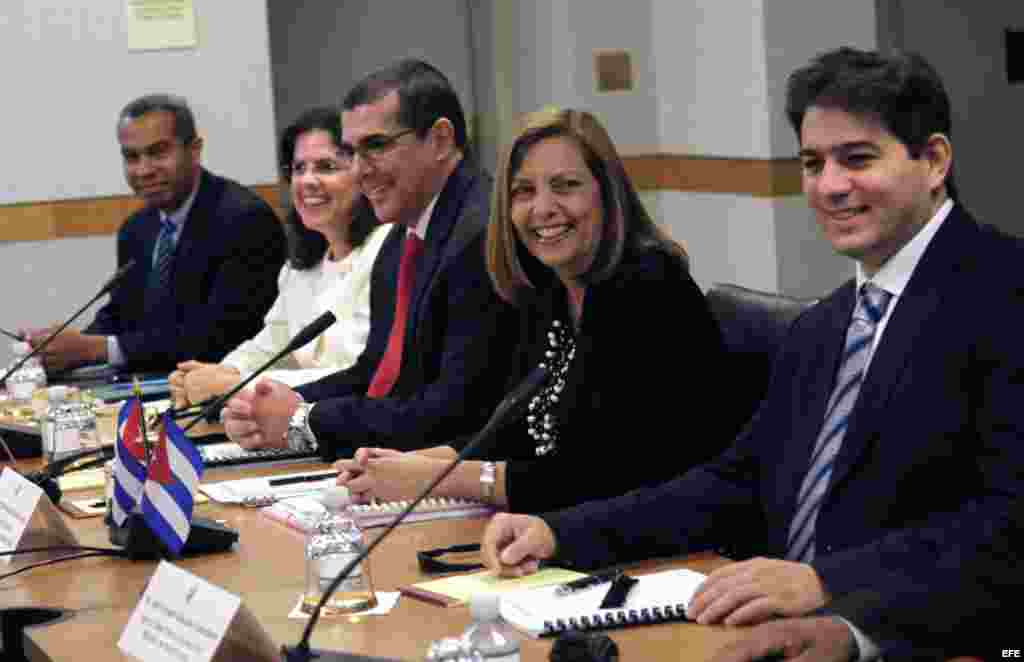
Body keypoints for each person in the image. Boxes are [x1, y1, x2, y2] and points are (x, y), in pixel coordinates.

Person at [480, 48, 1024, 661]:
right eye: (813, 163)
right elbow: (734, 482)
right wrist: (559, 532)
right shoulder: (826, 325)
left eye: (858, 159)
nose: (831, 186)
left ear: (933, 161)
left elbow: (1007, 526)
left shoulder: (1005, 296)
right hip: (763, 634)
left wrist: (833, 593)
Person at [333, 107, 731, 513]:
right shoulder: (551, 290)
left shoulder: (647, 286)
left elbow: (601, 474)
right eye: (524, 191)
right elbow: (514, 434)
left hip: (674, 552)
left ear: (607, 194)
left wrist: (436, 478)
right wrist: (401, 464)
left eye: (565, 186)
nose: (542, 209)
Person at [222, 59, 514, 458]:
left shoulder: (478, 235)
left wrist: (305, 420)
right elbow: (377, 374)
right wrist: (272, 403)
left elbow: (452, 411)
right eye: (352, 152)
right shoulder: (403, 235)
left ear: (441, 140)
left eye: (375, 146)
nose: (360, 172)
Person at [22, 94, 285, 374]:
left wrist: (95, 349)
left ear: (195, 150)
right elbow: (122, 314)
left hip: (222, 390)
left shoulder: (244, 219)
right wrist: (60, 349)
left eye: (158, 152)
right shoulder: (136, 229)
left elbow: (221, 337)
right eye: (132, 157)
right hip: (148, 387)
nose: (144, 170)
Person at [168, 107, 391, 408]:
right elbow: (267, 348)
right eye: (299, 169)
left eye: (326, 166)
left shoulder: (387, 250)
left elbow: (358, 374)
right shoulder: (300, 268)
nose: (307, 181)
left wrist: (241, 385)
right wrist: (216, 373)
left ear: (363, 174)